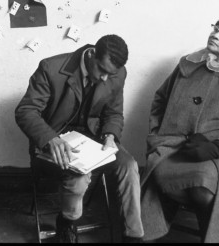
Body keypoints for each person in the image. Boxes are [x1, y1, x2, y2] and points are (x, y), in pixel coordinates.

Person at [140, 13, 219, 243]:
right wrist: (157, 135)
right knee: (168, 177)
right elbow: (160, 100)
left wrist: (218, 147)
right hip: (174, 148)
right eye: (215, 29)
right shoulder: (188, 65)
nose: (216, 35)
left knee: (203, 190)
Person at [15, 35, 144, 243]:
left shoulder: (117, 73)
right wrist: (50, 139)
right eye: (102, 70)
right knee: (78, 177)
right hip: (53, 140)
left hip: (94, 140)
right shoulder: (50, 68)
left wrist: (110, 135)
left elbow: (114, 113)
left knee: (129, 166)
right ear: (91, 55)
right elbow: (26, 111)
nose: (105, 78)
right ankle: (67, 222)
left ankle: (133, 236)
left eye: (110, 74)